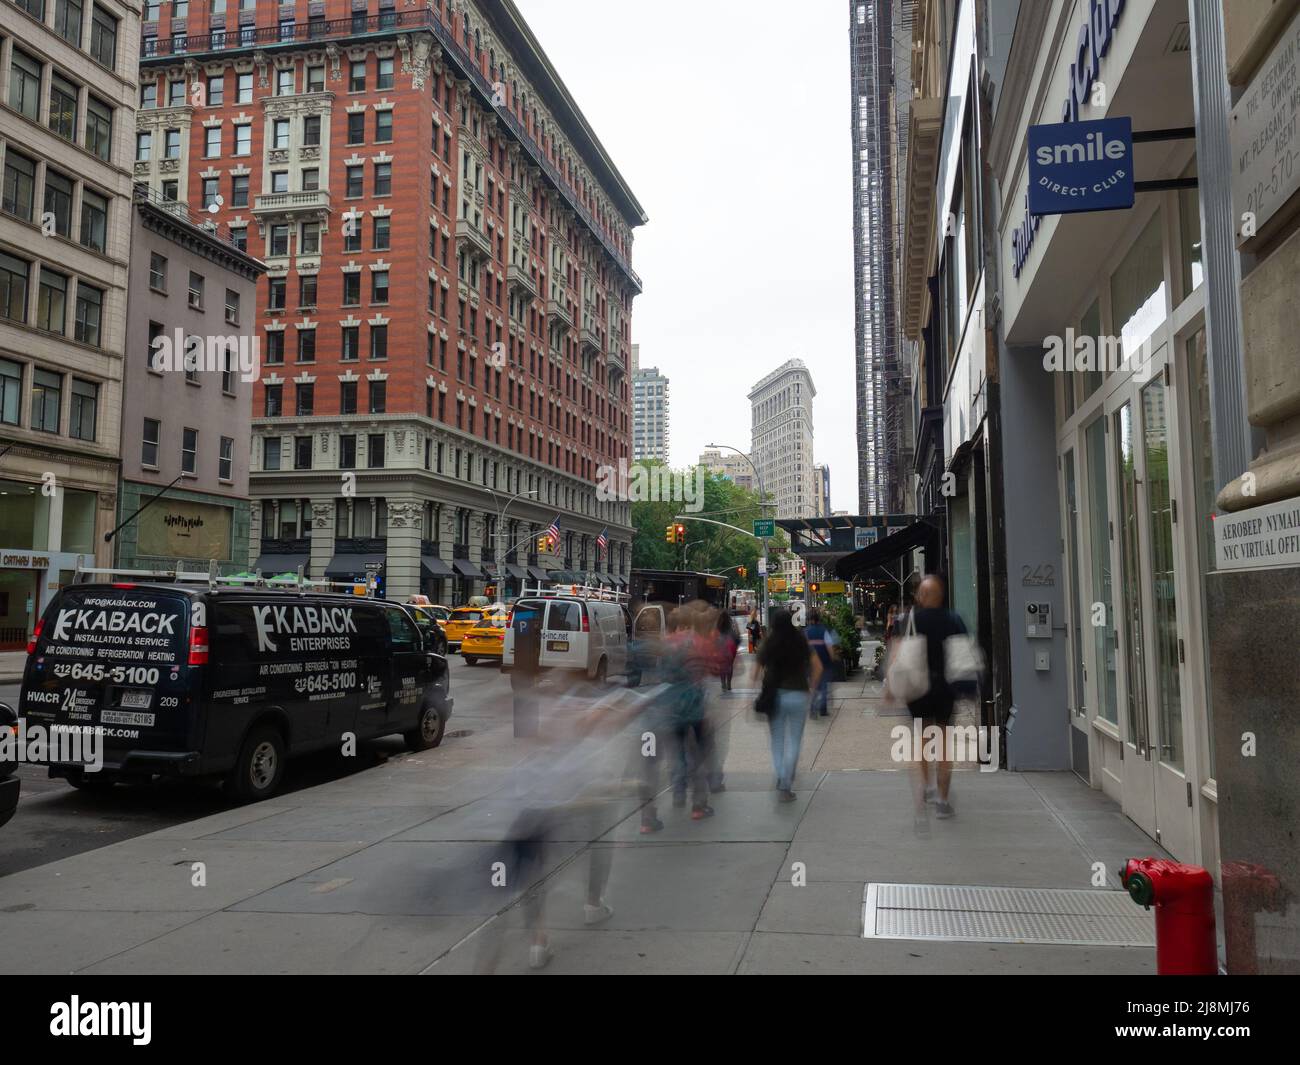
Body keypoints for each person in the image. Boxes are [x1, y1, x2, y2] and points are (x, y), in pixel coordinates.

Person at [892, 574, 968, 830]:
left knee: (923, 739)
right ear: (941, 595)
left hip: (918, 687)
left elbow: (898, 654)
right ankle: (943, 800)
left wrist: (890, 688)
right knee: (944, 745)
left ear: (922, 596)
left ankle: (926, 785)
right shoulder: (953, 619)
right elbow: (964, 653)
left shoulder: (912, 619)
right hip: (946, 689)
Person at [756, 610, 822, 802]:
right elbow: (818, 667)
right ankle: (786, 781)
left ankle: (781, 779)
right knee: (794, 741)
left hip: (775, 695)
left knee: (777, 741)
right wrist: (811, 687)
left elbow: (755, 670)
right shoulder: (801, 641)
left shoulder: (769, 642)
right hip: (798, 694)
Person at [804, 609, 833, 718]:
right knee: (824, 685)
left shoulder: (806, 632)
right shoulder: (824, 631)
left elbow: (803, 647)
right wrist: (833, 658)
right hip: (824, 661)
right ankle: (823, 709)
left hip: (811, 664)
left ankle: (812, 708)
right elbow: (829, 647)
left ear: (809, 620)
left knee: (814, 685)